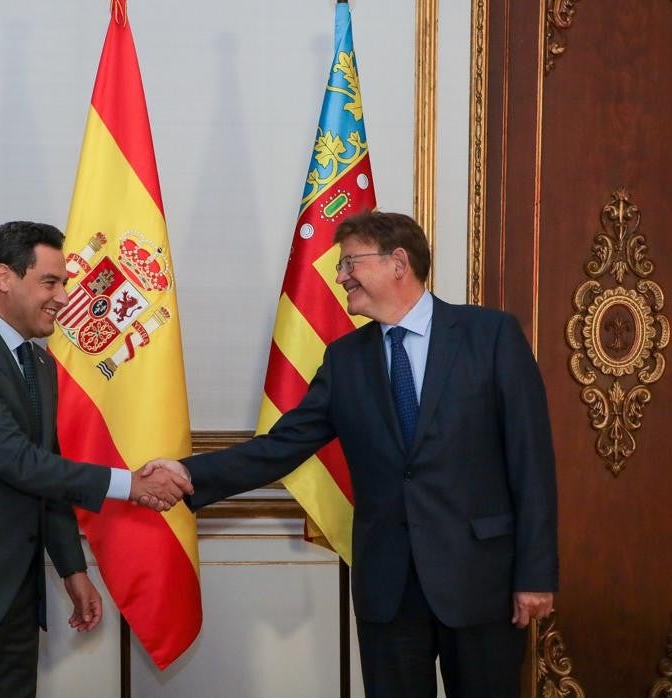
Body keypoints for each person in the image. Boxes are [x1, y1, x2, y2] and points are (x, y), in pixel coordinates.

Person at [142, 211, 557, 697]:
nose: (340, 277)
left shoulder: (490, 336)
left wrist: (535, 575)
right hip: (389, 589)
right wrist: (186, 473)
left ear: (398, 262)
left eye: (349, 264)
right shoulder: (345, 359)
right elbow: (281, 447)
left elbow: (532, 463)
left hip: (480, 582)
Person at [0, 221, 190, 698]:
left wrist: (72, 570)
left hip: (15, 598)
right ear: (4, 277)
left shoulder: (40, 364)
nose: (63, 296)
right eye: (50, 282)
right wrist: (129, 484)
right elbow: (17, 461)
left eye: (64, 282)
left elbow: (46, 473)